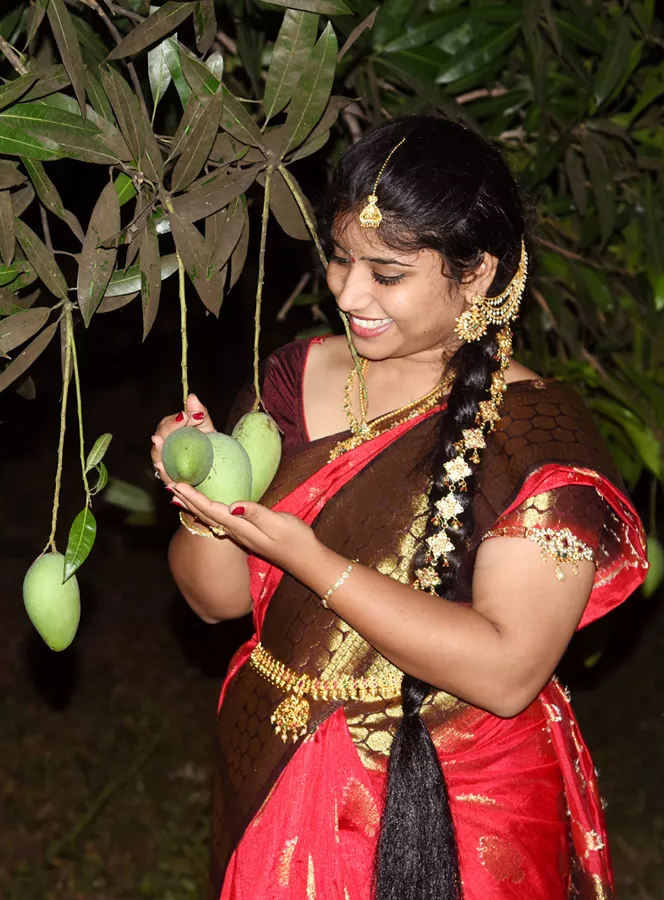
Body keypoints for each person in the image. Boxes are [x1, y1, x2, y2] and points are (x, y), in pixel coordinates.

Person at [151, 116, 649, 900]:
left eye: (386, 273)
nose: (349, 293)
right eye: (341, 259)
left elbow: (509, 671)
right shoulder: (293, 378)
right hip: (278, 766)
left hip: (469, 798)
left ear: (476, 273)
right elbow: (213, 601)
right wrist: (204, 498)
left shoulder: (537, 435)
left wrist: (307, 558)